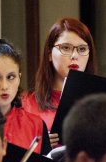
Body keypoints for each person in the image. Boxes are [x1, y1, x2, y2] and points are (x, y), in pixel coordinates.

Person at [21, 17, 97, 147]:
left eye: (82, 49)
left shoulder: (100, 103)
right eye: (66, 48)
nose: (74, 55)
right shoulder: (25, 104)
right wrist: (40, 146)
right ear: (50, 53)